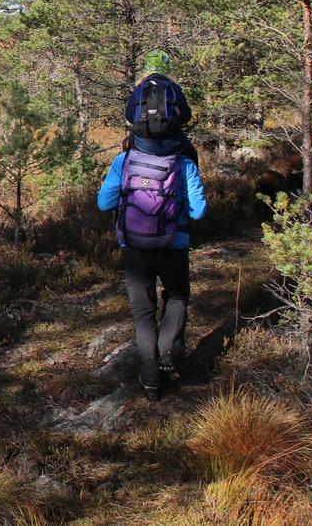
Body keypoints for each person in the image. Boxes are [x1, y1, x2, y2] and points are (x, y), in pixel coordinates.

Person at [97, 131, 208, 400]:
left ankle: (149, 379)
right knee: (177, 296)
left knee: (143, 313)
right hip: (174, 245)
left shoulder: (123, 161)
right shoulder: (184, 164)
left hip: (134, 248)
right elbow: (198, 211)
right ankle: (168, 351)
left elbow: (104, 204)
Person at [124, 49, 198, 164]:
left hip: (142, 145)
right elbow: (186, 116)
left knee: (122, 158)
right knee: (192, 155)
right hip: (172, 145)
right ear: (167, 67)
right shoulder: (174, 88)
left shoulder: (140, 88)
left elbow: (129, 115)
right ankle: (192, 182)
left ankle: (122, 180)